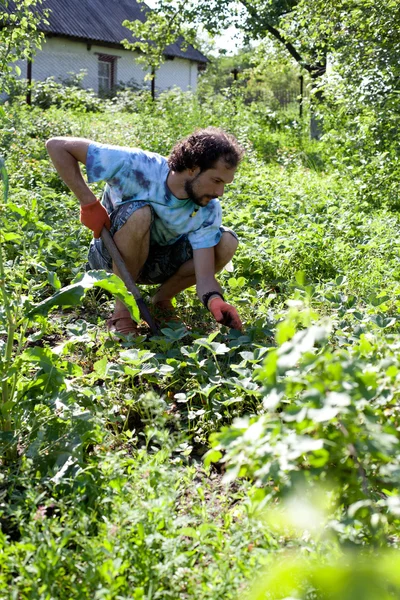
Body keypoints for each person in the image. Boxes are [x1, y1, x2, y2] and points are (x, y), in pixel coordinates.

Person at [46, 127, 244, 335]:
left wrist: (214, 300)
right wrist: (89, 203)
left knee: (226, 242)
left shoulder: (207, 209)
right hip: (112, 258)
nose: (220, 192)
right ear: (194, 168)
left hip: (158, 265)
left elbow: (204, 277)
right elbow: (57, 146)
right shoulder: (138, 166)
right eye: (216, 181)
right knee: (140, 213)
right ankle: (123, 312)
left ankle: (161, 300)